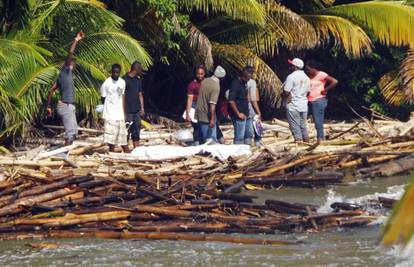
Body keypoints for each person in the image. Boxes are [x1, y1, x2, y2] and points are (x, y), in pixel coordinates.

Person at [47, 32, 84, 146]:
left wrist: (48, 106)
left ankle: (67, 152)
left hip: (69, 106)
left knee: (74, 132)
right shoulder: (66, 71)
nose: (73, 67)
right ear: (70, 65)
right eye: (72, 65)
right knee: (70, 132)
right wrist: (76, 40)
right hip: (65, 106)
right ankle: (64, 154)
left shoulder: (61, 77)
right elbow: (70, 53)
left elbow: (51, 90)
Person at [305, 60, 338, 143]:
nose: (307, 71)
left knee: (318, 121)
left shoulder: (321, 74)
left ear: (313, 68)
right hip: (308, 101)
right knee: (303, 119)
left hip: (319, 100)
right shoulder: (307, 76)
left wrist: (325, 90)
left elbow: (334, 81)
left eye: (308, 69)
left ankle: (320, 139)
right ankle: (305, 138)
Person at [100, 64, 129, 153]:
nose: (115, 74)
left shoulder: (122, 82)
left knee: (123, 136)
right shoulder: (106, 83)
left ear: (120, 72)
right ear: (111, 72)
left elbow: (122, 97)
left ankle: (127, 153)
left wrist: (124, 112)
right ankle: (111, 153)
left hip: (119, 114)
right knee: (111, 138)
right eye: (114, 72)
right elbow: (103, 98)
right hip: (110, 114)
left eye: (117, 72)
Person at [195, 65, 226, 144]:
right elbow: (212, 104)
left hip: (199, 112)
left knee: (202, 140)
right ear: (222, 78)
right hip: (207, 114)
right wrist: (212, 119)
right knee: (210, 141)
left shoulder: (205, 81)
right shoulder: (216, 86)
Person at [283, 58, 311, 142]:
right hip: (303, 105)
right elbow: (308, 92)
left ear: (295, 67)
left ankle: (299, 146)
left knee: (295, 128)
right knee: (303, 126)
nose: (290, 67)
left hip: (293, 105)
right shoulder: (307, 77)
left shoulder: (291, 77)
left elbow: (286, 92)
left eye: (291, 65)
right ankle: (307, 144)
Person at [228, 68, 253, 145]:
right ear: (243, 76)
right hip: (239, 114)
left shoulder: (244, 83)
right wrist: (238, 113)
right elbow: (231, 101)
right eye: (248, 78)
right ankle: (238, 153)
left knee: (249, 134)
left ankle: (247, 150)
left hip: (246, 112)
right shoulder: (235, 84)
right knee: (240, 136)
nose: (248, 80)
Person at [124, 61, 145, 148]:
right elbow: (122, 96)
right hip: (128, 110)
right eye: (140, 69)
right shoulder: (124, 80)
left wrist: (142, 108)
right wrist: (123, 112)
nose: (141, 72)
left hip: (137, 111)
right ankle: (126, 149)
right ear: (136, 69)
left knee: (136, 130)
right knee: (127, 131)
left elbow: (140, 94)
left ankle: (136, 149)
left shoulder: (138, 80)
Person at [185, 65, 206, 145]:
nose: (200, 76)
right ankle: (197, 144)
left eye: (202, 74)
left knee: (204, 126)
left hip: (204, 106)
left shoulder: (207, 83)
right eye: (198, 74)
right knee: (196, 127)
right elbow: (189, 100)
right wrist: (188, 113)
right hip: (195, 106)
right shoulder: (192, 85)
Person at [245, 66, 262, 147]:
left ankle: (247, 142)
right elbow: (253, 99)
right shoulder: (252, 82)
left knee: (247, 124)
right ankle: (258, 141)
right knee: (256, 123)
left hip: (241, 105)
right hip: (249, 105)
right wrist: (258, 112)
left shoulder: (239, 80)